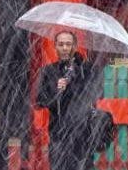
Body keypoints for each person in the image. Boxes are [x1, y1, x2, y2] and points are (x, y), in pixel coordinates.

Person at [35, 31, 100, 170]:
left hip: (82, 134)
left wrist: (74, 84)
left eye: (68, 44)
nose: (65, 48)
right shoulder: (48, 71)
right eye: (61, 44)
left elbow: (97, 94)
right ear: (55, 46)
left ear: (74, 46)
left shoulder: (86, 69)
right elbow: (39, 101)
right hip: (58, 134)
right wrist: (56, 90)